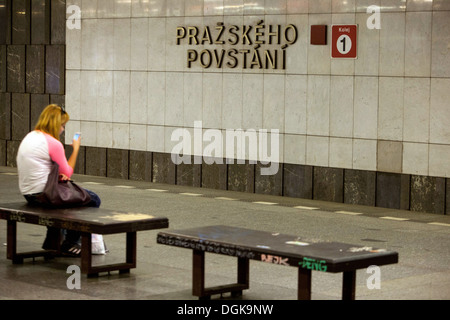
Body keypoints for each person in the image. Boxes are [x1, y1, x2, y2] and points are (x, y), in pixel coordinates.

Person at [16, 104, 101, 256]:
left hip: (28, 193)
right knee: (93, 199)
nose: (63, 129)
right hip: (44, 195)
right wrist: (75, 149)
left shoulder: (30, 136)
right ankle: (71, 242)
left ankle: (52, 239)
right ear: (55, 124)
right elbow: (68, 172)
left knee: (64, 201)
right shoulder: (53, 143)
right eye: (62, 125)